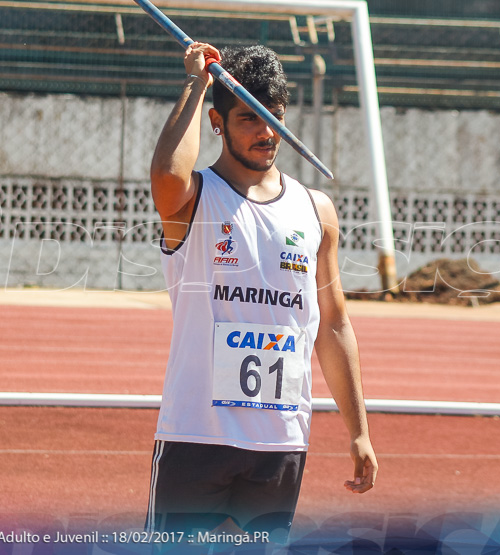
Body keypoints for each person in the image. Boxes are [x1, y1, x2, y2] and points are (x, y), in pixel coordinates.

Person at [146, 41, 377, 544]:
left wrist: (358, 429)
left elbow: (333, 324)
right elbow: (167, 174)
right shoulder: (196, 198)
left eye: (273, 117)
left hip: (280, 442)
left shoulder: (317, 212)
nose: (267, 132)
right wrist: (197, 81)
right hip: (197, 435)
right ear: (217, 122)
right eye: (248, 118)